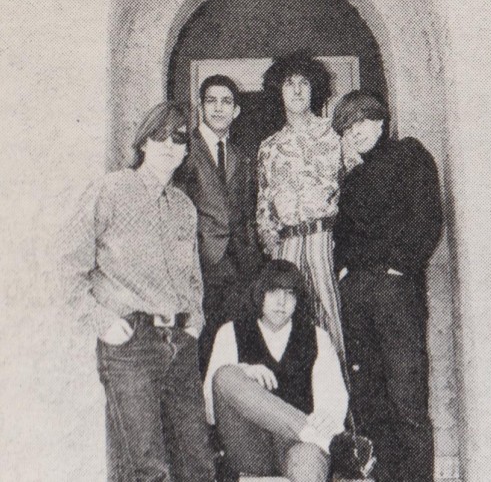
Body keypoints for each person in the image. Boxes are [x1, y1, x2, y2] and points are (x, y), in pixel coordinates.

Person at [60, 103, 215, 481]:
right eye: (160, 136)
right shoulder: (110, 190)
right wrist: (102, 322)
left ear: (186, 149)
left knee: (198, 464)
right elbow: (68, 265)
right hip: (131, 344)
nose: (169, 145)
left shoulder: (184, 207)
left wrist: (194, 322)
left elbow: (193, 278)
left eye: (179, 138)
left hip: (179, 342)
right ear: (143, 142)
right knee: (146, 468)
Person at [332, 90, 443, 482]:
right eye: (347, 127)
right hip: (357, 293)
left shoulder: (409, 154)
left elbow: (428, 216)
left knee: (406, 396)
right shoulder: (353, 179)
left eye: (362, 121)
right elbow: (343, 237)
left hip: (395, 291)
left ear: (380, 121)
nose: (356, 131)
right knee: (369, 396)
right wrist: (344, 274)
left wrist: (398, 266)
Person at [204, 260, 349, 482]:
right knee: (225, 374)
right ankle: (314, 434)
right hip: (249, 444)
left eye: (290, 294)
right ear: (260, 293)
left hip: (298, 446)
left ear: (298, 300)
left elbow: (334, 400)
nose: (281, 302)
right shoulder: (230, 332)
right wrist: (243, 372)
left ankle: (312, 436)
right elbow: (210, 410)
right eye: (273, 291)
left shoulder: (316, 337)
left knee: (307, 465)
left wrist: (326, 419)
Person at [257, 52, 360, 359]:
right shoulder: (270, 147)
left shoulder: (335, 134)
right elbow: (264, 206)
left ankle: (338, 391)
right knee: (285, 329)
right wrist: (274, 252)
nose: (297, 90)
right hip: (286, 245)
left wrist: (346, 247)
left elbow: (357, 192)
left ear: (314, 87)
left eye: (304, 82)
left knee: (331, 326)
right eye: (289, 83)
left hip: (325, 241)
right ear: (279, 91)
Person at [175, 74, 261, 376]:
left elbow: (247, 211)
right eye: (211, 101)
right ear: (201, 107)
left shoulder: (241, 155)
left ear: (236, 111)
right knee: (198, 345)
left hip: (238, 267)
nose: (218, 108)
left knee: (231, 344)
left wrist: (250, 255)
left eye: (226, 102)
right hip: (200, 262)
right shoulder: (184, 148)